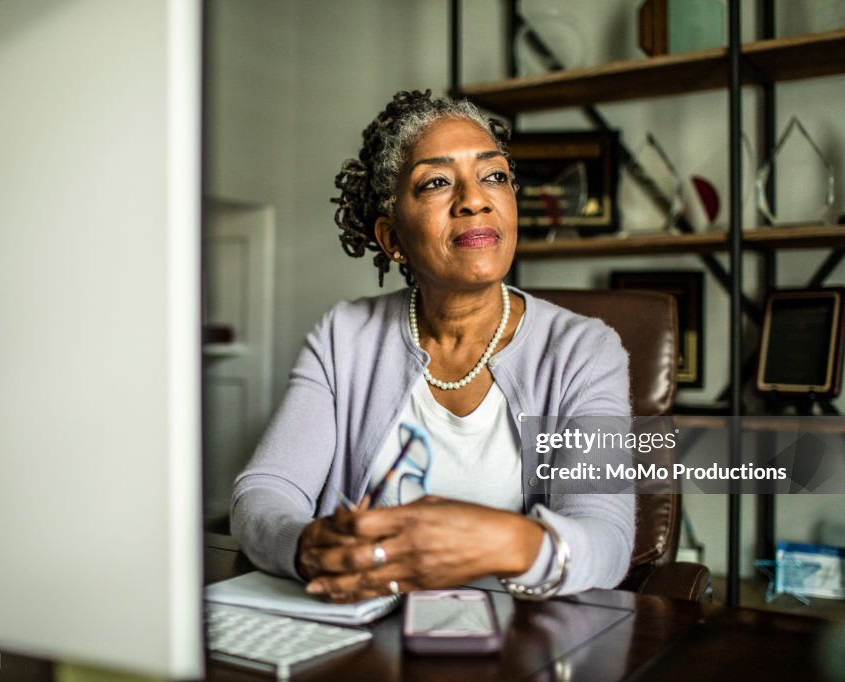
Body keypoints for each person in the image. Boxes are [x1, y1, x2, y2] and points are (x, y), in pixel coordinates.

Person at [231, 90, 633, 602]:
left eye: (494, 176)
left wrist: (506, 539)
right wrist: (306, 545)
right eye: (437, 182)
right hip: (361, 633)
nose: (474, 198)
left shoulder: (584, 350)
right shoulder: (343, 337)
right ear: (392, 238)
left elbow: (608, 542)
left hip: (525, 640)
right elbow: (263, 493)